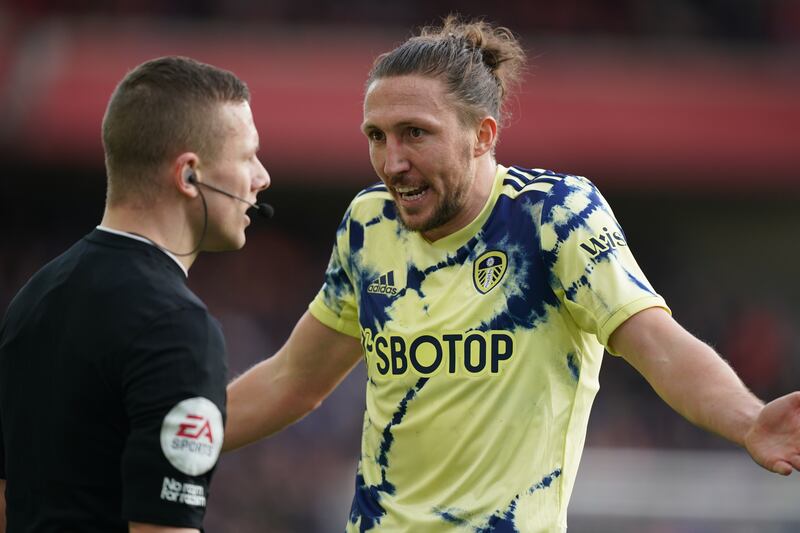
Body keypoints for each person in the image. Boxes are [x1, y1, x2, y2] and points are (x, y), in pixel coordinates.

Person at [224, 16, 800, 532]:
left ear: (483, 136)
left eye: (415, 132)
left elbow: (657, 344)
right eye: (377, 136)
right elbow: (291, 380)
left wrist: (748, 420)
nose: (392, 160)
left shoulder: (553, 216)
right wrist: (168, 440)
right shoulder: (368, 224)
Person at [0, 56, 269, 532]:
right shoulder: (176, 326)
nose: (262, 177)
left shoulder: (32, 300)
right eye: (248, 156)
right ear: (189, 176)